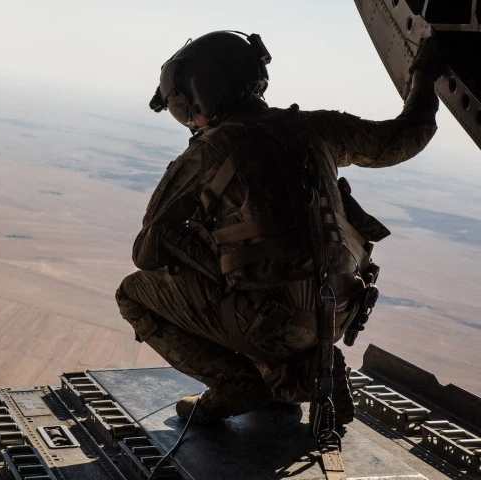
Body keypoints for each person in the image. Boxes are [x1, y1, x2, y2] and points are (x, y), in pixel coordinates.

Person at [115, 30, 442, 425]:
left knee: (133, 293)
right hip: (335, 315)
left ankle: (235, 383)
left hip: (267, 325)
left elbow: (146, 252)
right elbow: (407, 135)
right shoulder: (316, 128)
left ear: (197, 97)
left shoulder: (208, 150)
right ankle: (304, 373)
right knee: (259, 271)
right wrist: (424, 74)